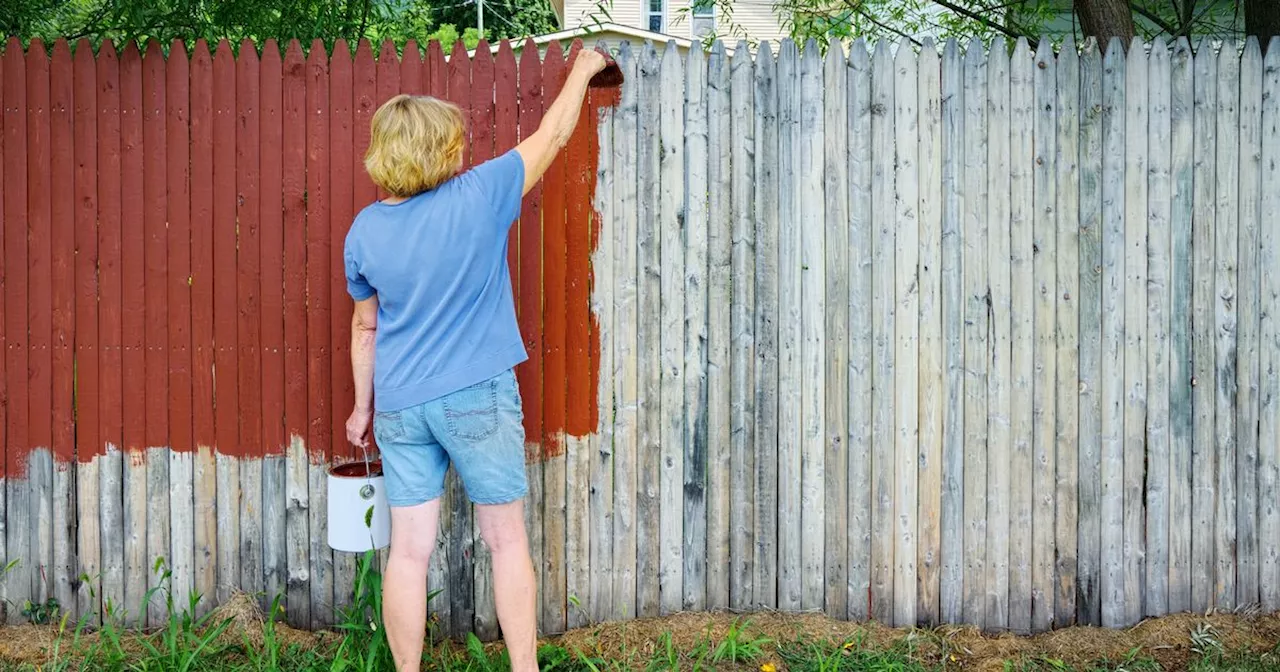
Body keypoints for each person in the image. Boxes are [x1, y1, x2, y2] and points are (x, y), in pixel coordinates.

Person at [342, 48, 609, 672]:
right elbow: (554, 133)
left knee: (408, 552)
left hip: (402, 405)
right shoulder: (480, 194)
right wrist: (584, 67)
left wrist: (362, 408)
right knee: (506, 538)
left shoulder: (364, 231)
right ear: (440, 150)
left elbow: (365, 327)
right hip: (475, 397)